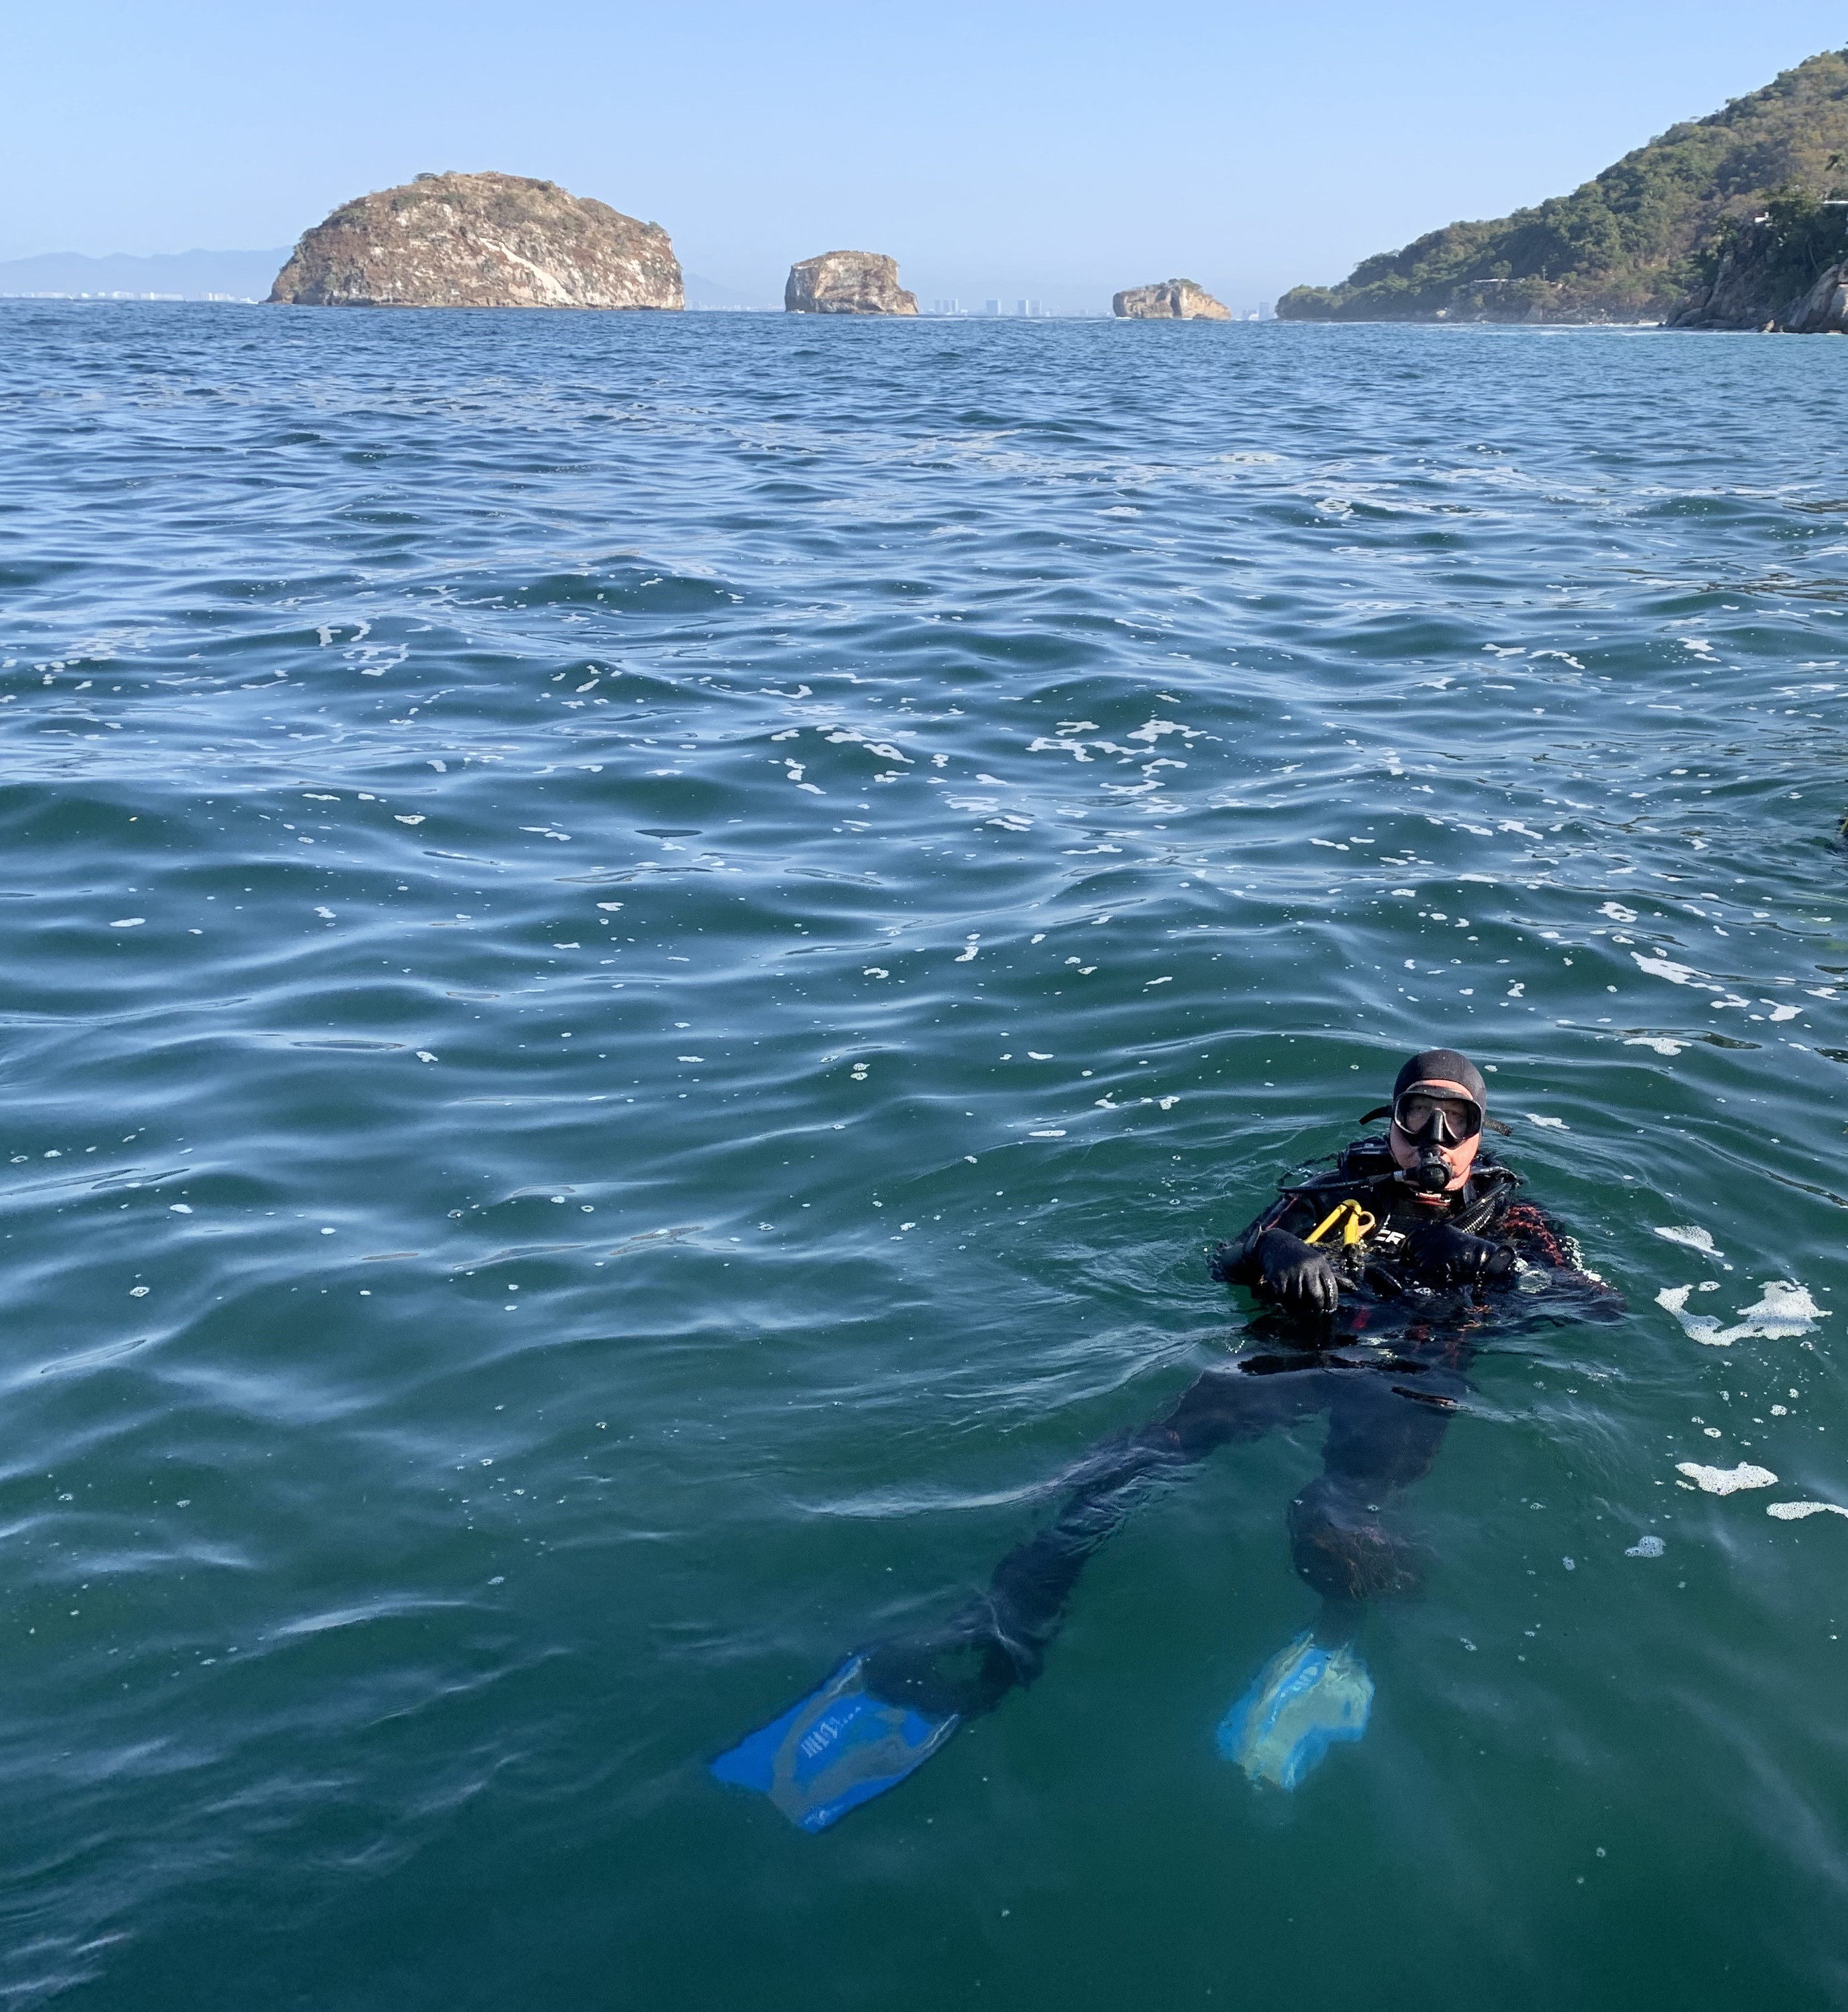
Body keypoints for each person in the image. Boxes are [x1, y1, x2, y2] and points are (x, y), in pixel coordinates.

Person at [712, 1049, 1620, 1830]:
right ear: (1384, 1122)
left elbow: (1602, 1310)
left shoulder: (1509, 1223)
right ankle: (997, 1630)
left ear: (1478, 1135)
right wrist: (1272, 1258)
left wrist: (1504, 1280)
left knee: (1338, 1515)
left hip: (1407, 1383)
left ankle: (1334, 1638)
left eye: (1452, 1122)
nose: (1430, 1141)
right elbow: (1228, 1256)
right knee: (1120, 1467)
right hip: (1293, 1357)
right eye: (1411, 1116)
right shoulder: (1335, 1191)